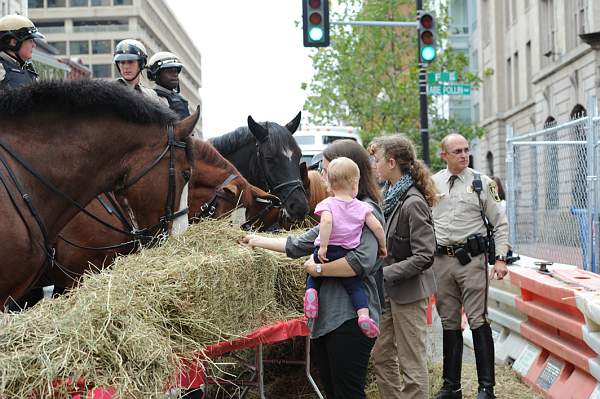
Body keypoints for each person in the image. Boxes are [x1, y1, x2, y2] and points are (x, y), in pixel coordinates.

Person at [241, 139, 383, 399]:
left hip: (349, 318)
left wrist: (317, 270)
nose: (324, 179)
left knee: (348, 393)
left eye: (327, 171)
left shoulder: (364, 210)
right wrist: (254, 240)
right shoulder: (335, 212)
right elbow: (299, 243)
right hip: (325, 321)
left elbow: (360, 262)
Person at [432, 134, 509, 399]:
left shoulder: (482, 183)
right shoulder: (432, 184)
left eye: (466, 150)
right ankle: (451, 386)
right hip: (441, 261)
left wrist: (500, 258)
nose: (464, 155)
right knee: (449, 321)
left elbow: (500, 223)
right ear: (444, 155)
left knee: (478, 320)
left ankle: (486, 388)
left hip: (472, 263)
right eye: (457, 151)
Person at [368, 135, 437, 399]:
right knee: (382, 355)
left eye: (377, 160)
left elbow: (425, 256)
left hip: (408, 294)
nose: (375, 166)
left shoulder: (413, 202)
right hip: (387, 293)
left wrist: (384, 273)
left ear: (392, 162)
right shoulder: (389, 197)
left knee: (411, 363)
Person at [307, 156, 386, 339]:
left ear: (329, 184)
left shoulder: (327, 204)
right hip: (346, 253)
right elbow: (377, 228)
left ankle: (311, 293)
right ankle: (363, 316)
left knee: (313, 276)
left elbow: (326, 222)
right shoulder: (362, 207)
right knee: (355, 287)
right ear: (354, 184)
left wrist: (323, 247)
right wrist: (382, 246)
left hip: (327, 251)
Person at [0, 14, 44, 90]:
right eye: (30, 41)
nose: (34, 45)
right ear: (13, 42)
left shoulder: (29, 72)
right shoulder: (1, 70)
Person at [146, 51, 191, 119]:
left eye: (176, 71)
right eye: (170, 71)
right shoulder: (151, 98)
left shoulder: (180, 99)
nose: (175, 74)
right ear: (156, 75)